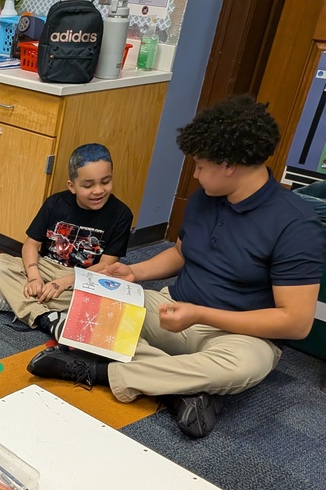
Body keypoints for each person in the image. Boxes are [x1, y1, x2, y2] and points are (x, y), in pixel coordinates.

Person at [27, 96, 325, 438]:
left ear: (228, 164)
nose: (195, 174)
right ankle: (184, 389)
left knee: (242, 366)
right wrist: (133, 273)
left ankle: (99, 372)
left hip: (242, 337)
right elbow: (182, 254)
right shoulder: (205, 199)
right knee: (91, 308)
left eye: (199, 165)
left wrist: (200, 315)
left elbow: (296, 322)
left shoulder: (296, 224)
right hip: (172, 310)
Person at [0, 143, 134, 339]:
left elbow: (106, 266)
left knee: (112, 295)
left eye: (105, 182)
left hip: (84, 277)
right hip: (45, 266)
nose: (98, 191)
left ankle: (14, 300)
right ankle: (44, 315)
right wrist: (34, 276)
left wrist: (64, 282)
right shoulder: (55, 203)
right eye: (88, 185)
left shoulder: (121, 214)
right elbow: (31, 244)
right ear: (72, 186)